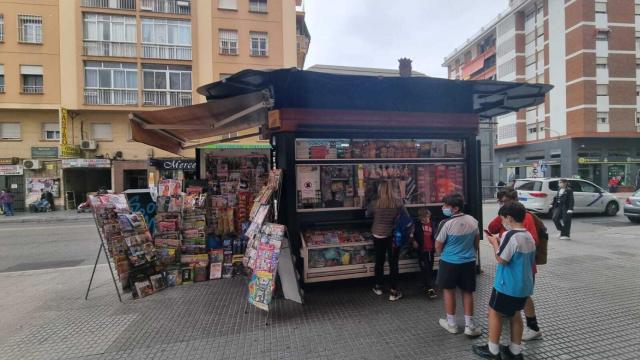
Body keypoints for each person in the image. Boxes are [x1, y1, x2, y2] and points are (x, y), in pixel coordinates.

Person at [473, 202, 536, 360]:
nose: (502, 222)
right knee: (515, 314)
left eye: (502, 219)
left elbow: (502, 259)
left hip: (506, 286)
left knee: (494, 313)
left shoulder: (511, 235)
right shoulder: (528, 236)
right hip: (524, 287)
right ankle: (515, 350)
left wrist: (494, 243)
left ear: (509, 218)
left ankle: (493, 350)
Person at [488, 187, 543, 341]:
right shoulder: (506, 220)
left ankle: (533, 327)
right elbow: (491, 227)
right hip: (513, 265)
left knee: (523, 298)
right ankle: (515, 346)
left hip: (522, 266)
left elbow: (533, 240)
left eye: (505, 201)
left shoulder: (525, 218)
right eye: (500, 202)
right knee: (519, 301)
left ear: (514, 201)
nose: (502, 204)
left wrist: (503, 242)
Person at [435, 193, 481, 337]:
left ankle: (452, 324)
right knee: (467, 292)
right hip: (468, 262)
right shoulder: (473, 221)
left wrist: (443, 255)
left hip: (449, 263)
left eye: (446, 206)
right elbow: (476, 241)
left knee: (449, 291)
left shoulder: (446, 223)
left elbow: (438, 245)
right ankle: (469, 326)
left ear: (455, 208)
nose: (443, 208)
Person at [366, 181, 408, 301]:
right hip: (393, 236)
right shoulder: (398, 202)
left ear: (380, 190)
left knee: (379, 260)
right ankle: (394, 292)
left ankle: (378, 286)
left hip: (377, 234)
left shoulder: (375, 203)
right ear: (392, 189)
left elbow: (367, 214)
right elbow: (406, 216)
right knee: (393, 263)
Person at [412, 208, 437, 299]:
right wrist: (414, 241)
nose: (424, 220)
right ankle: (430, 288)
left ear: (429, 217)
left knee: (430, 268)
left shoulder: (433, 224)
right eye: (422, 219)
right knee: (425, 268)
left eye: (426, 218)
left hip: (431, 250)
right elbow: (412, 234)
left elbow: (436, 236)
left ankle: (426, 284)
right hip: (422, 251)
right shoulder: (417, 225)